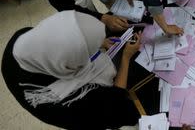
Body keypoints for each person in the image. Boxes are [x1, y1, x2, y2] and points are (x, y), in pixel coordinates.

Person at [1, 10, 141, 129]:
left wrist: (97, 41)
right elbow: (118, 106)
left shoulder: (22, 41)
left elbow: (64, 38)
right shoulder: (79, 103)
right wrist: (126, 57)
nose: (96, 52)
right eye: (88, 52)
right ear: (67, 67)